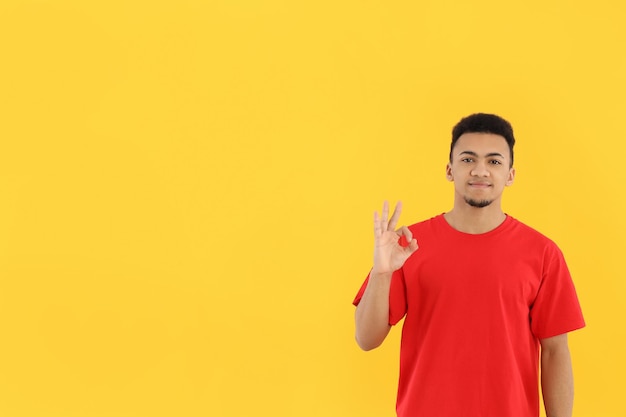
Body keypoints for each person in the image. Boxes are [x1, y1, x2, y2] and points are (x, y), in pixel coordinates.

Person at [353, 113, 585, 417]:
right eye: (467, 159)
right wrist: (382, 274)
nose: (480, 170)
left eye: (494, 161)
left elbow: (555, 352)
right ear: (450, 170)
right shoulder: (407, 245)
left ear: (511, 174)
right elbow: (366, 340)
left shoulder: (542, 252)